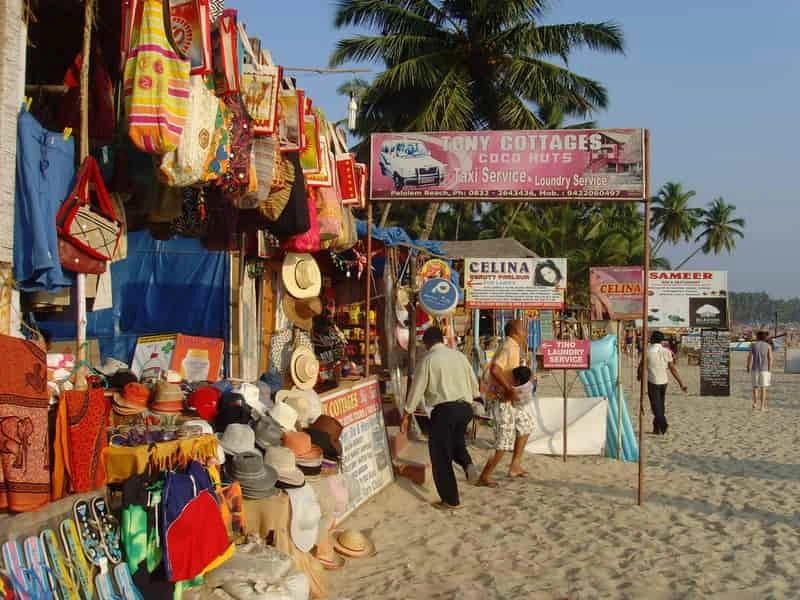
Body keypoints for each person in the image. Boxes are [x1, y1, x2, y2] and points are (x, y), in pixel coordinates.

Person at [401, 327, 480, 510]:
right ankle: (467, 464)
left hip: (444, 410)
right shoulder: (459, 356)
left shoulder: (428, 360)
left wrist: (406, 415)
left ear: (427, 343)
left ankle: (450, 500)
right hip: (465, 408)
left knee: (440, 456)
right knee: (456, 442)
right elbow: (474, 386)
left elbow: (416, 390)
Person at [477, 320, 536, 487]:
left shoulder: (515, 347)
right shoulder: (509, 347)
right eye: (524, 330)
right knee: (504, 439)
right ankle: (485, 475)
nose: (526, 333)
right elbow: (495, 369)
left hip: (510, 398)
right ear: (516, 332)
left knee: (526, 425)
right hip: (500, 399)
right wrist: (508, 388)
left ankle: (514, 465)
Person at [638, 331, 687, 435]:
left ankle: (663, 424)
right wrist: (681, 383)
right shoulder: (666, 351)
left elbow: (641, 366)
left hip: (653, 382)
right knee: (660, 405)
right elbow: (672, 368)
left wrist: (639, 375)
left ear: (652, 339)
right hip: (664, 381)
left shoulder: (647, 352)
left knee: (656, 407)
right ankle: (656, 428)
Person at [747, 331, 773, 411]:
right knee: (763, 388)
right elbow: (770, 358)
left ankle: (755, 403)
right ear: (765, 337)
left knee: (755, 387)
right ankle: (762, 407)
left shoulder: (753, 345)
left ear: (757, 337)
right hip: (764, 370)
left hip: (754, 368)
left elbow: (749, 357)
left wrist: (748, 366)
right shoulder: (768, 346)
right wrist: (769, 369)